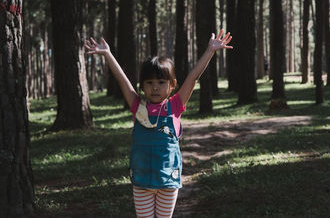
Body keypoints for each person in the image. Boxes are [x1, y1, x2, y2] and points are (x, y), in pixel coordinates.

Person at [85, 29, 232, 218]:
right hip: (142, 181)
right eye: (149, 82)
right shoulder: (137, 106)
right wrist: (107, 54)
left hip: (168, 182)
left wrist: (210, 51)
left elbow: (193, 78)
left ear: (172, 84)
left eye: (161, 82)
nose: (155, 87)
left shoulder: (176, 105)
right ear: (142, 85)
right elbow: (123, 81)